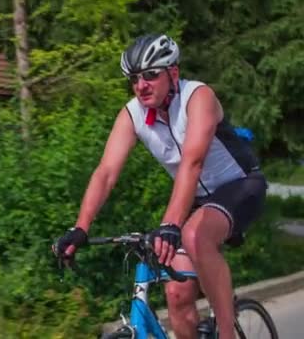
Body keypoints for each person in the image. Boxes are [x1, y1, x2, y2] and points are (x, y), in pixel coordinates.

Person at [53, 34, 267, 339]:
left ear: (173, 73)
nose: (142, 85)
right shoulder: (133, 114)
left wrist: (170, 223)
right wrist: (80, 227)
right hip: (196, 201)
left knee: (193, 235)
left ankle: (226, 335)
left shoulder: (198, 97)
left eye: (151, 75)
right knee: (177, 296)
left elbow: (193, 162)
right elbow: (106, 172)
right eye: (134, 79)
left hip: (241, 187)